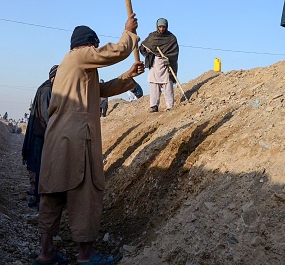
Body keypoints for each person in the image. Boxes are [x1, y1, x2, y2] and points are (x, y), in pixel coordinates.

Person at [35, 15, 145, 265]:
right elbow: (114, 52)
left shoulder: (71, 68)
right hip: (77, 140)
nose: (95, 50)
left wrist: (128, 75)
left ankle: (46, 253)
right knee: (85, 193)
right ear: (87, 45)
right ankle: (86, 255)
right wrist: (128, 33)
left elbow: (102, 90)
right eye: (94, 46)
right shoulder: (78, 56)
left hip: (57, 141)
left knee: (53, 194)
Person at [21, 64, 58, 209]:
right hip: (41, 135)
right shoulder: (47, 90)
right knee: (40, 168)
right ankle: (38, 198)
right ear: (54, 77)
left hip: (42, 134)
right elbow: (46, 115)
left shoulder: (48, 88)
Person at [140, 18, 179, 112]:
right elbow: (143, 46)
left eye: (163, 27)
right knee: (154, 85)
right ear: (157, 26)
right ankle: (154, 106)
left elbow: (174, 52)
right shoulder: (152, 36)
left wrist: (168, 58)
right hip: (155, 64)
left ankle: (170, 106)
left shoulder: (171, 38)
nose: (162, 29)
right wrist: (147, 51)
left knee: (168, 85)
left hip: (166, 65)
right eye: (160, 27)